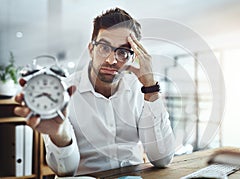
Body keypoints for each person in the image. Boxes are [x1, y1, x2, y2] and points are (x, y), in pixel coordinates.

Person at [14, 7, 175, 176]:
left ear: (133, 57)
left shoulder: (141, 90)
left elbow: (162, 159)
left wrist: (150, 87)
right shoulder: (63, 92)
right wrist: (59, 134)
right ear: (91, 49)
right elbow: (65, 170)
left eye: (123, 52)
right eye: (104, 47)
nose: (111, 60)